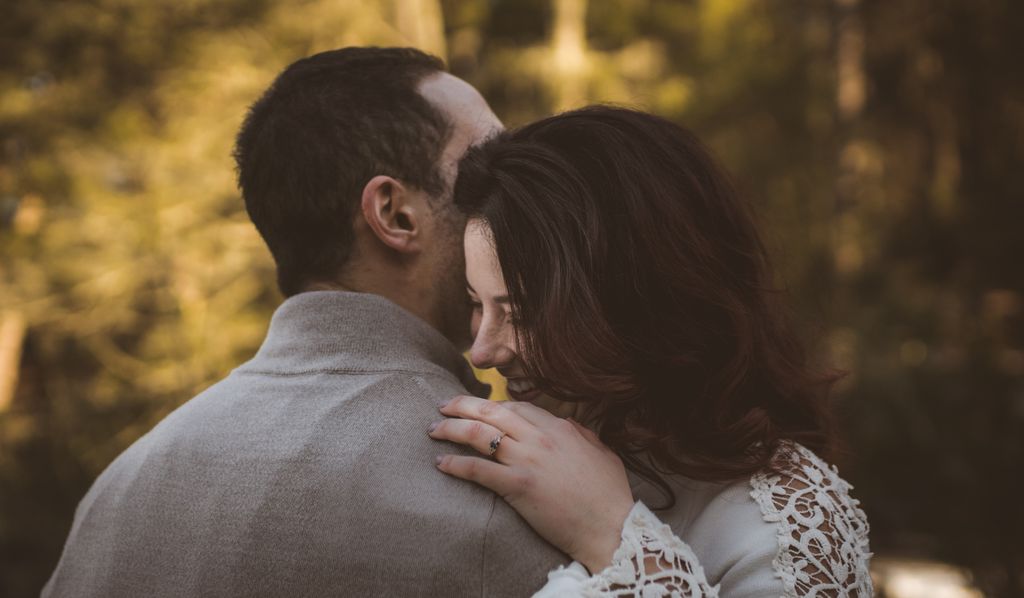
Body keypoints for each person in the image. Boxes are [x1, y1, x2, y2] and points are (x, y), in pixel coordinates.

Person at [43, 47, 571, 597]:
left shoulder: (123, 489)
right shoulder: (511, 487)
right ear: (394, 214)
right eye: (482, 174)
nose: (507, 199)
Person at [430, 106, 874, 596]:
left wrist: (615, 537)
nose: (483, 351)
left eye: (524, 313)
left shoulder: (787, 520)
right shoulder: (512, 456)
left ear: (640, 301)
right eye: (477, 304)